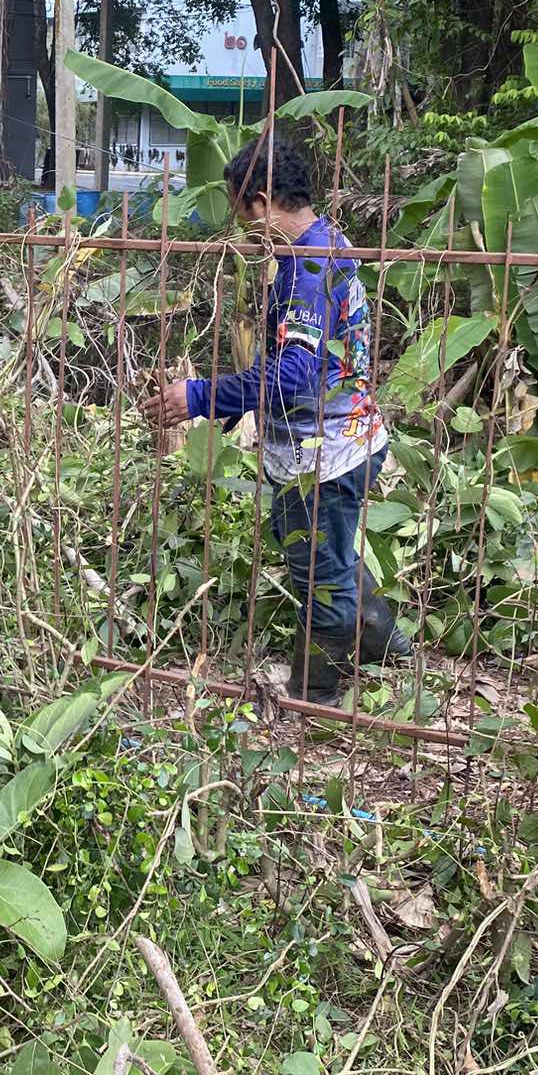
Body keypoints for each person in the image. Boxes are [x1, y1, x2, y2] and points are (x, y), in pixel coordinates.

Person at [140, 129, 411, 704]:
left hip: (324, 453)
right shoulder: (328, 241)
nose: (245, 233)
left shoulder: (304, 270)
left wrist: (197, 397)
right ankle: (388, 644)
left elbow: (293, 375)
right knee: (333, 552)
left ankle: (318, 694)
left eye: (243, 216)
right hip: (353, 437)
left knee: (320, 578)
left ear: (261, 203)